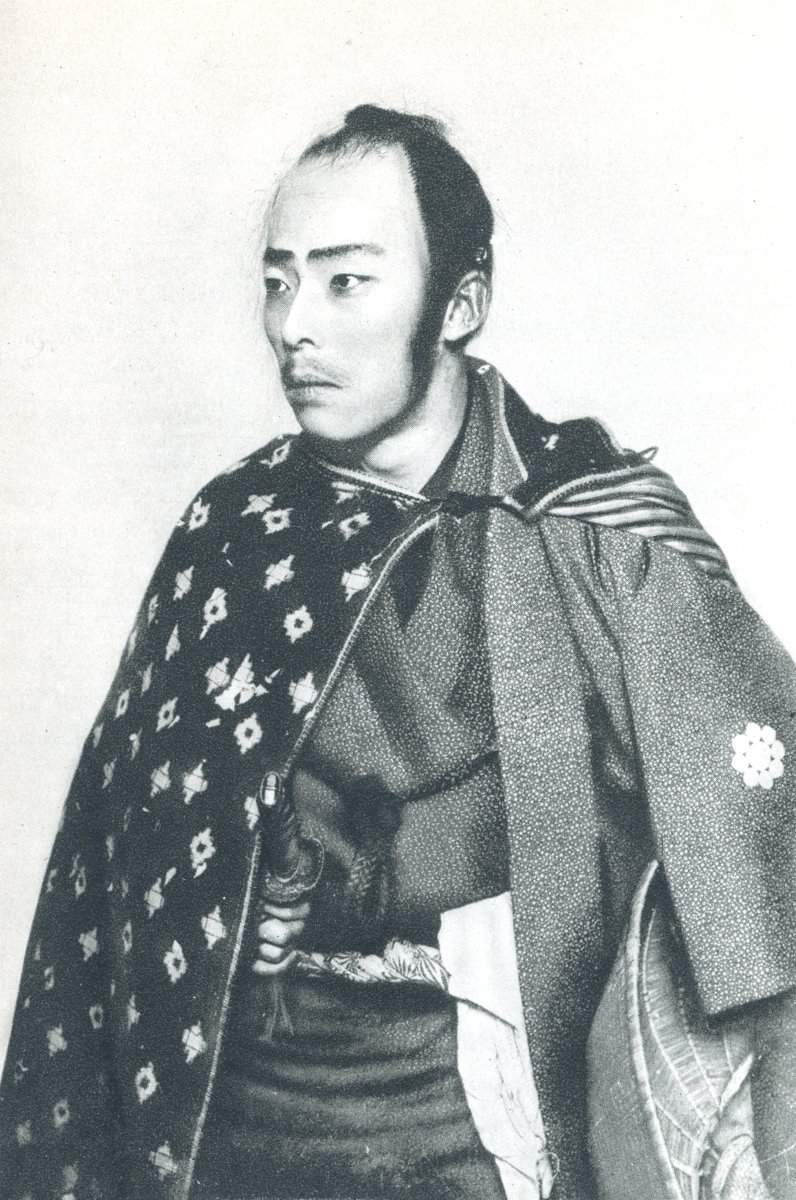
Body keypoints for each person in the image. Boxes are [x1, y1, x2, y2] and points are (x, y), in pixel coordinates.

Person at [1, 103, 795, 1200]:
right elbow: (122, 874)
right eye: (278, 282)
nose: (295, 327)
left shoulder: (599, 537)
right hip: (232, 1126)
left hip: (497, 1123)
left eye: (346, 282)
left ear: (460, 304)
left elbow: (760, 884)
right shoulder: (234, 533)